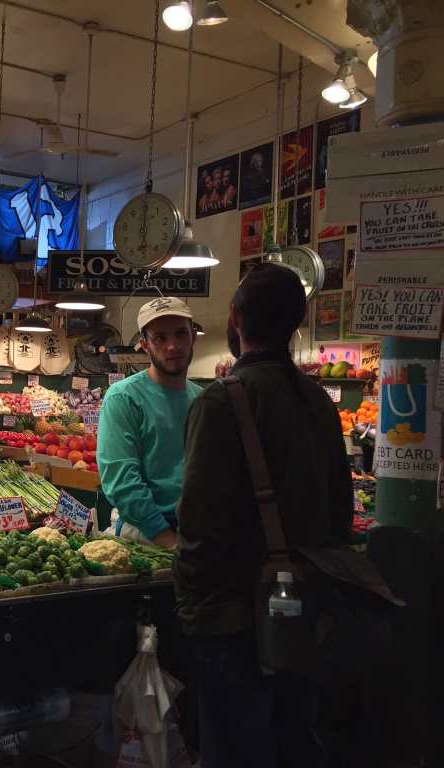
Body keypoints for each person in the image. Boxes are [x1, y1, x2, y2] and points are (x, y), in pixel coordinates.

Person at [174, 263, 352, 768]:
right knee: (293, 740)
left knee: (235, 747)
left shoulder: (221, 401)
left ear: (235, 317)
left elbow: (199, 524)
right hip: (303, 612)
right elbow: (340, 510)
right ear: (297, 323)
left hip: (231, 620)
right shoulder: (318, 400)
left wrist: (190, 605)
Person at [96, 297, 202, 550]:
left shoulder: (202, 399)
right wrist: (165, 538)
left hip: (197, 531)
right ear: (145, 344)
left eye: (180, 334)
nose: (172, 346)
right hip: (146, 534)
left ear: (193, 337)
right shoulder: (124, 398)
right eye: (160, 338)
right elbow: (122, 481)